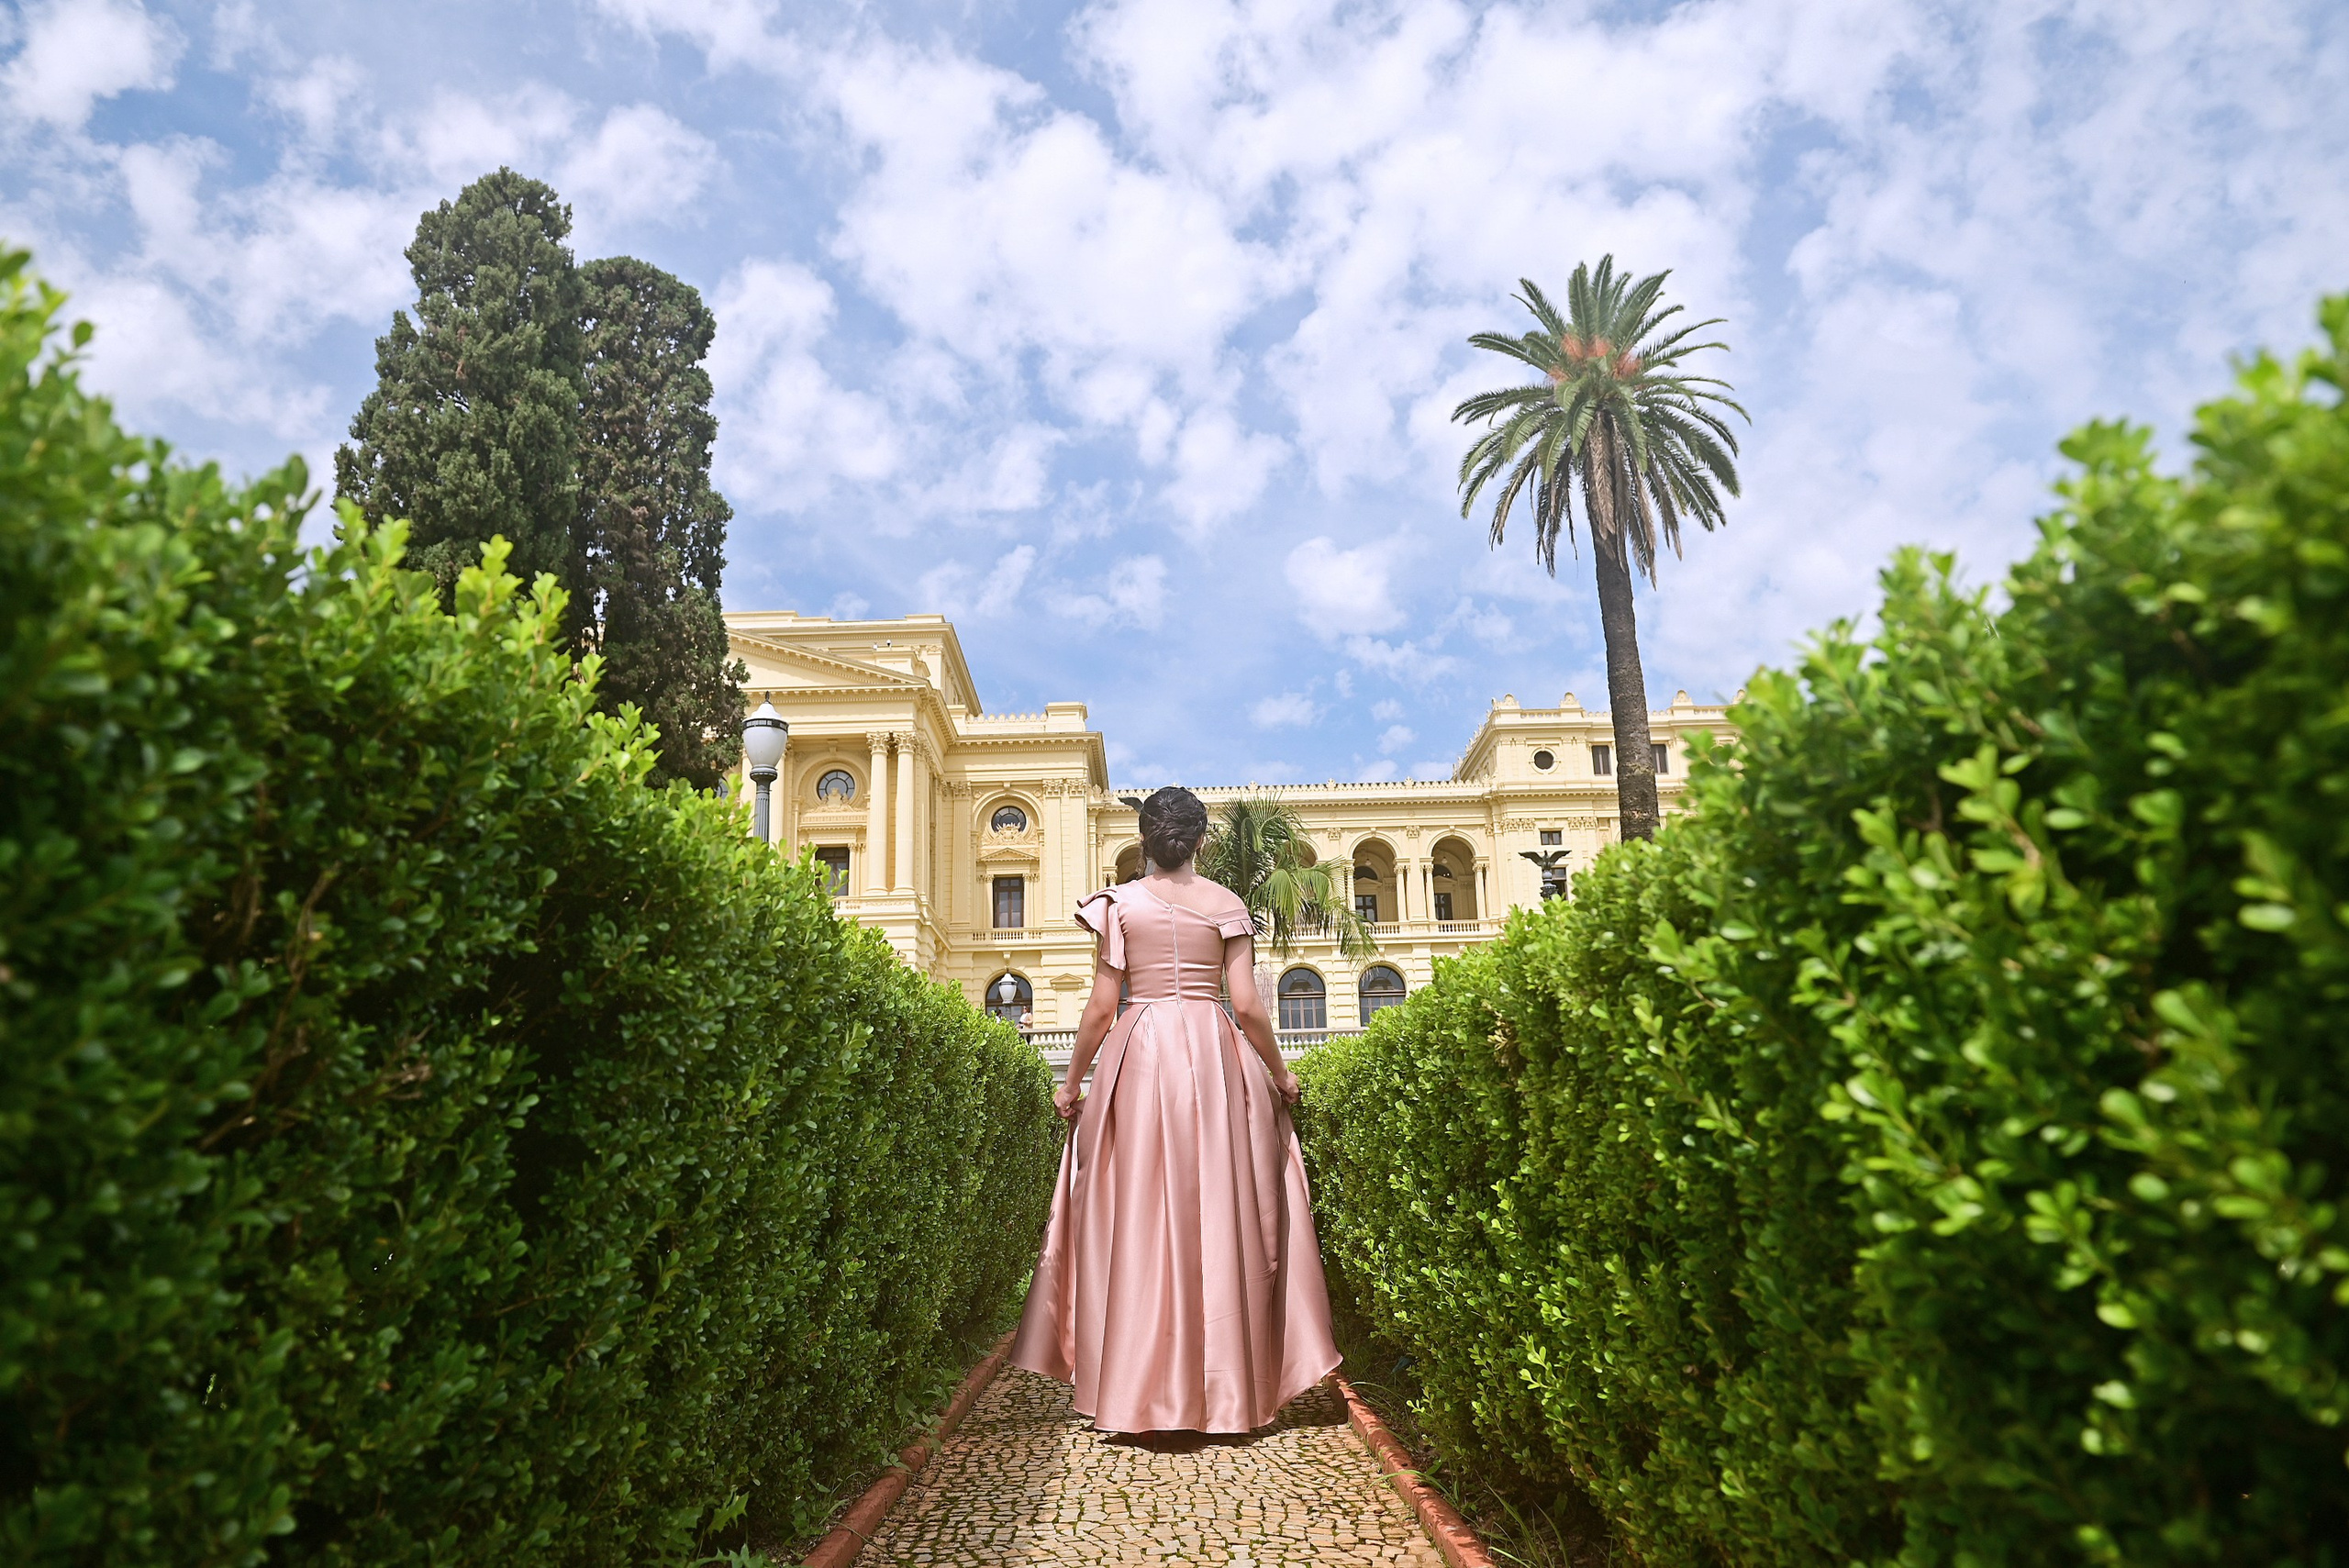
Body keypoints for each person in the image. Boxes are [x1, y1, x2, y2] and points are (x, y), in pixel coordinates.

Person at [1008, 787, 1341, 1435]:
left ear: (1143, 838)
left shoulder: (1118, 904)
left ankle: (1137, 1389)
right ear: (1201, 840)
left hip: (1139, 1055)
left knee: (1137, 1212)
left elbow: (1103, 1006)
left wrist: (1071, 1083)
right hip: (1215, 1058)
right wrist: (1280, 1072)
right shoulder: (1227, 903)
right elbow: (1245, 1003)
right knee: (1218, 1210)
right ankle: (1226, 1392)